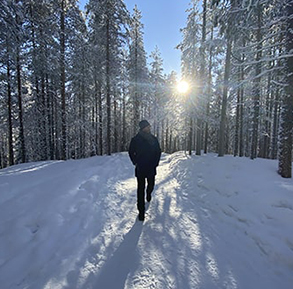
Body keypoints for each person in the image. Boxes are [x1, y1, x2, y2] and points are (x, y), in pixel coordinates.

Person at [128, 120, 161, 221]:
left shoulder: (153, 139)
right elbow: (130, 151)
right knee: (140, 189)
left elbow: (158, 151)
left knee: (151, 185)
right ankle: (141, 211)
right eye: (147, 126)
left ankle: (149, 193)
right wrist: (135, 162)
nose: (149, 128)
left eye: (149, 126)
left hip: (151, 167)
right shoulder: (135, 139)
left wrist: (156, 163)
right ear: (142, 128)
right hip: (140, 167)